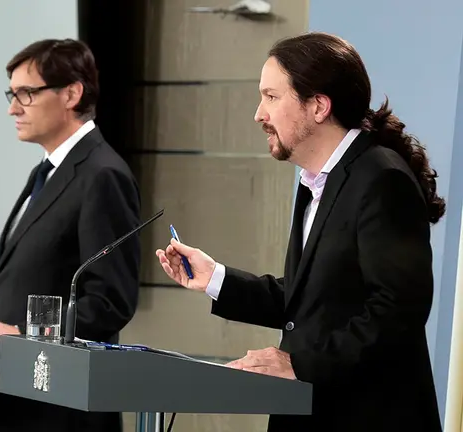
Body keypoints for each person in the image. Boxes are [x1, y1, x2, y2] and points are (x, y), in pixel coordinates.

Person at [156, 32, 445, 432]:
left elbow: (398, 311)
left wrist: (299, 363)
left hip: (368, 415)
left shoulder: (381, 178)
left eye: (271, 97)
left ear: (319, 106)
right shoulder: (316, 181)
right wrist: (214, 278)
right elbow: (311, 300)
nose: (259, 114)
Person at [0, 38, 141, 432]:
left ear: (71, 93)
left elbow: (109, 303)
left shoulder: (102, 175)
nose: (12, 108)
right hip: (14, 404)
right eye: (12, 94)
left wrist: (21, 333)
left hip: (58, 410)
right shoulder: (46, 172)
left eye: (26, 94)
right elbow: (26, 289)